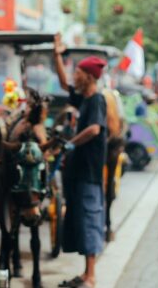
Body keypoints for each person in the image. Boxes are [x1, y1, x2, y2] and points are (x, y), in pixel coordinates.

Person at [53, 33, 108, 288]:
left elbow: (95, 129)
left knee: (90, 219)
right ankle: (85, 274)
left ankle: (91, 277)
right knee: (80, 220)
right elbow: (64, 85)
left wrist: (71, 143)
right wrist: (57, 55)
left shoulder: (96, 99)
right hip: (78, 172)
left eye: (77, 72)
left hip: (89, 173)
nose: (74, 76)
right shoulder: (84, 98)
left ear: (87, 76)